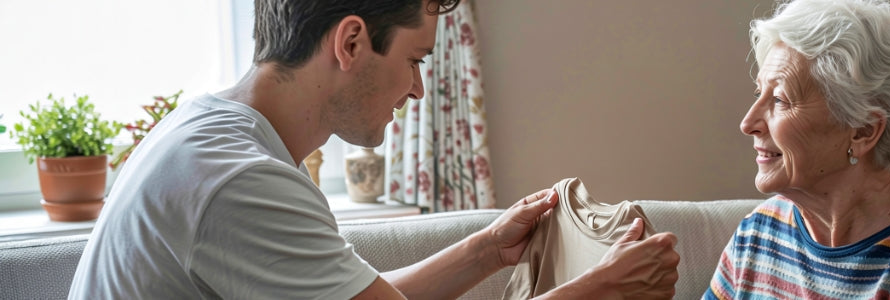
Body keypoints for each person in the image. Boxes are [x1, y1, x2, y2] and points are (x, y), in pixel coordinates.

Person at [67, 0, 679, 299]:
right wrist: (594, 291)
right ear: (352, 42)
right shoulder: (240, 180)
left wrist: (486, 251)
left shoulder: (211, 134)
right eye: (414, 60)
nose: (416, 86)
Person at [704, 0, 890, 299]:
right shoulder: (759, 233)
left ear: (864, 130)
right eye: (760, 92)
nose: (748, 123)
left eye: (781, 100)